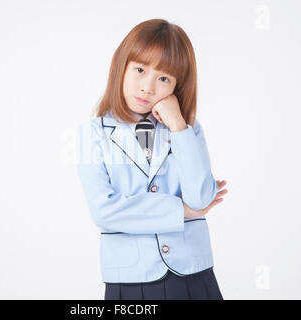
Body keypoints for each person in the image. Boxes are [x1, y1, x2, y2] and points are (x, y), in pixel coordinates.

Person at [76, 18, 228, 300]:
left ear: (177, 85)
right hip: (131, 280)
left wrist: (178, 126)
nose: (147, 87)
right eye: (140, 69)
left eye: (164, 78)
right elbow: (104, 211)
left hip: (194, 274)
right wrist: (180, 211)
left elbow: (200, 198)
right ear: (120, 66)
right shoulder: (93, 134)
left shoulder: (188, 129)